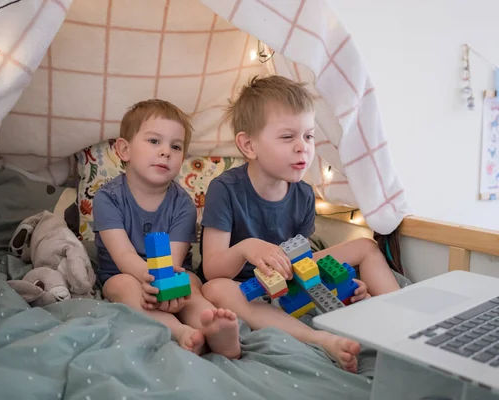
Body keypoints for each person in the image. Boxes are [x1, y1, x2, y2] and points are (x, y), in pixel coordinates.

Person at [199, 76, 401, 373]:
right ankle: (319, 338)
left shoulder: (304, 193)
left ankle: (403, 322)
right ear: (249, 144)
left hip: (290, 271)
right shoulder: (224, 189)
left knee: (365, 247)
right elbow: (212, 268)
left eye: (308, 136)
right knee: (215, 289)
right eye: (287, 137)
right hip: (244, 283)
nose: (302, 148)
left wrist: (342, 285)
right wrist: (246, 248)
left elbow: (302, 263)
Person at [93, 99, 240, 359]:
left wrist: (167, 287)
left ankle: (214, 327)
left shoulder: (184, 204)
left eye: (175, 146)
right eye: (154, 141)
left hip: (171, 271)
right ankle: (180, 332)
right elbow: (124, 256)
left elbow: (172, 260)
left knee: (191, 289)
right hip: (124, 272)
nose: (166, 152)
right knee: (124, 288)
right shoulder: (108, 198)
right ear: (124, 150)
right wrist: (151, 283)